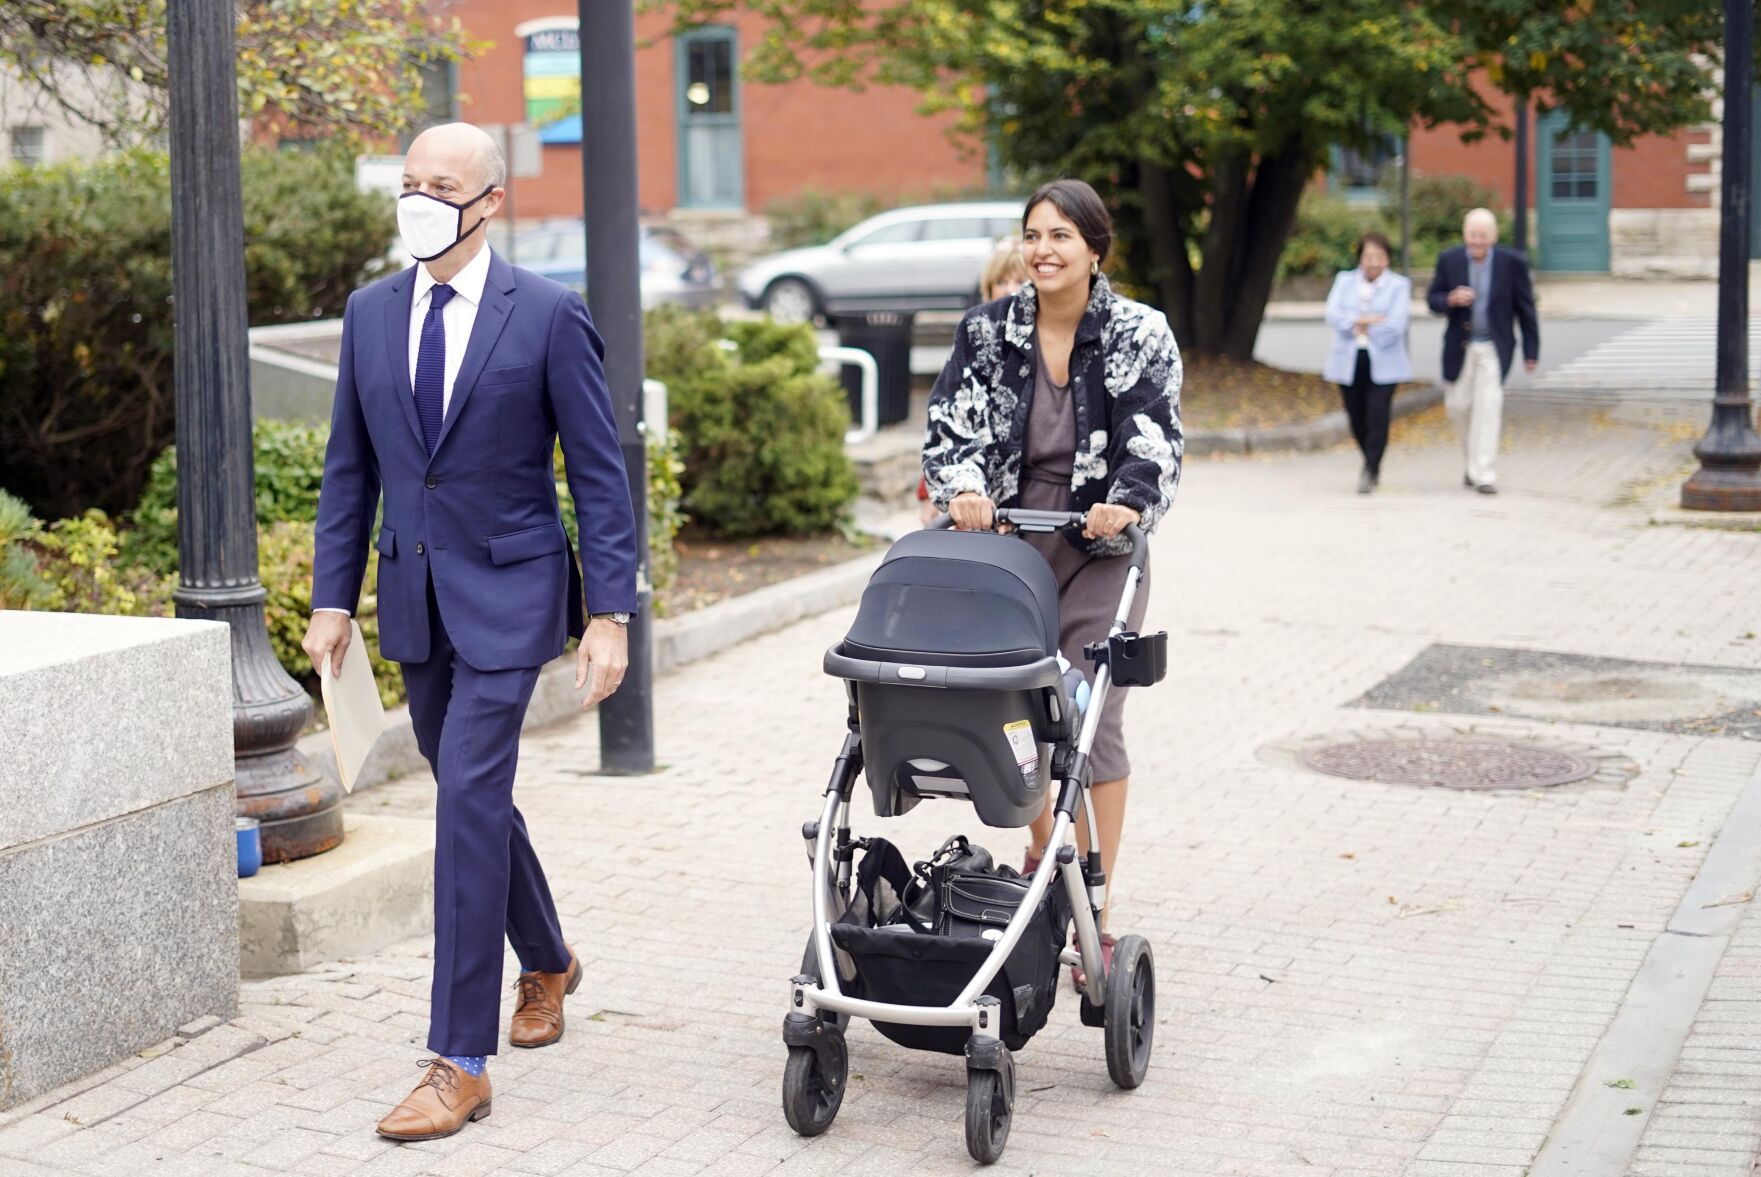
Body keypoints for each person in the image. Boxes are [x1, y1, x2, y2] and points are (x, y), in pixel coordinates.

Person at [301, 123, 638, 1142]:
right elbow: (347, 470)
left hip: (510, 596)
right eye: (408, 182)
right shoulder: (369, 315)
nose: (419, 198)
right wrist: (328, 599)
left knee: (465, 809)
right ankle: (548, 958)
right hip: (413, 598)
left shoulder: (545, 314)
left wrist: (609, 612)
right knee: (472, 795)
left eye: (440, 184)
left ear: (490, 201)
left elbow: (599, 468)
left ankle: (459, 1059)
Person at [923, 178, 1182, 985]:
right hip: (1005, 539)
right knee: (1017, 701)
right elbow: (949, 426)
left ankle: (1092, 906)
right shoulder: (988, 330)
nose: (1042, 248)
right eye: (1033, 234)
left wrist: (1126, 502)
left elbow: (1156, 437)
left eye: (1061, 235)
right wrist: (963, 488)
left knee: (1088, 708)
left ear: (1094, 249)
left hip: (1098, 546)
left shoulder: (1140, 333)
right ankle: (1046, 854)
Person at [917, 239, 1032, 523]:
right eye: (1001, 281)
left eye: (1019, 280)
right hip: (975, 492)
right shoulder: (974, 338)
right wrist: (929, 493)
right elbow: (947, 418)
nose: (1009, 288)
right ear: (988, 290)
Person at [1426, 208, 1539, 494]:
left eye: (1483, 236)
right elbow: (1432, 299)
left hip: (1493, 346)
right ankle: (1472, 464)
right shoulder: (1449, 259)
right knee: (1458, 407)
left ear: (1494, 236)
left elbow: (1526, 309)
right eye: (1472, 235)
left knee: (1488, 408)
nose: (1477, 241)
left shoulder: (1511, 263)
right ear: (1465, 235)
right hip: (1461, 347)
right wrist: (1450, 299)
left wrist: (1531, 350)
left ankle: (1484, 473)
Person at [1323, 232, 1412, 494]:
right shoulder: (1344, 281)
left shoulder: (1398, 286)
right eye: (1368, 257)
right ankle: (1368, 457)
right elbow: (1332, 314)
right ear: (1360, 258)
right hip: (1349, 359)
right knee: (1356, 414)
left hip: (1384, 361)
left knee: (1378, 415)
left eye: (1379, 257)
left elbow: (1396, 324)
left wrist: (1359, 322)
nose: (1373, 263)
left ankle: (1371, 467)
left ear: (1387, 259)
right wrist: (1368, 320)